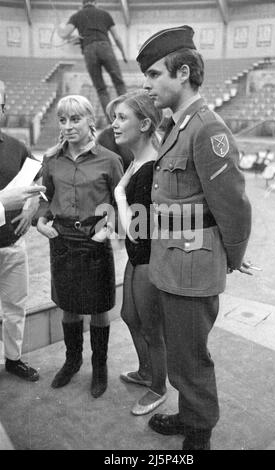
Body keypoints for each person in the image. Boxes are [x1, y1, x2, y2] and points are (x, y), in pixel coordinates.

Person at [136, 26, 252, 450]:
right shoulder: (178, 124)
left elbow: (233, 206)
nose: (146, 85)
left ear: (182, 73)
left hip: (193, 266)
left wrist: (231, 257)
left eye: (153, 75)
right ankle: (189, 414)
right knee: (182, 352)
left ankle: (198, 434)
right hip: (172, 263)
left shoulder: (207, 129)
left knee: (191, 359)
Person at [36, 95, 123, 398]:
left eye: (75, 119)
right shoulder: (52, 159)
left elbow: (120, 205)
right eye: (63, 120)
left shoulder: (109, 160)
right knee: (68, 306)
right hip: (61, 241)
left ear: (90, 120)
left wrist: (110, 227)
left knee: (99, 309)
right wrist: (40, 220)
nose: (69, 126)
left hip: (94, 240)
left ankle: (99, 367)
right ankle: (72, 361)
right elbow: (44, 198)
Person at [108, 90, 167, 415]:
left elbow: (136, 227)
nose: (114, 124)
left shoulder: (150, 168)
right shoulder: (137, 162)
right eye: (114, 117)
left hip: (148, 257)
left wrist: (118, 195)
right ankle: (146, 372)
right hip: (137, 255)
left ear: (144, 123)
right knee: (130, 316)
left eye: (121, 117)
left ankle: (158, 387)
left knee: (150, 326)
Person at [0, 80, 42, 382]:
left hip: (13, 245)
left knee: (15, 306)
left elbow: (37, 179)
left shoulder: (15, 147)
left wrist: (32, 204)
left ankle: (13, 359)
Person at [58, 0, 127, 121]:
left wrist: (60, 28)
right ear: (95, 3)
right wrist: (123, 53)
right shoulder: (104, 14)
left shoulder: (77, 15)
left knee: (101, 89)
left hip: (88, 50)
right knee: (119, 82)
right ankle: (128, 113)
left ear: (83, 4)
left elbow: (64, 34)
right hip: (105, 47)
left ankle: (111, 120)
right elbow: (116, 37)